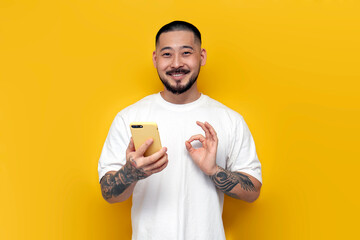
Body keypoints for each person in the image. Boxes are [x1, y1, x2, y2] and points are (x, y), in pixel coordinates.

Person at [98, 20, 262, 240]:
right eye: (167, 54)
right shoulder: (129, 117)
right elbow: (108, 193)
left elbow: (253, 191)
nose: (176, 63)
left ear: (201, 57)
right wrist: (131, 173)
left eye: (186, 53)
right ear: (156, 59)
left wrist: (213, 170)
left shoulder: (230, 120)